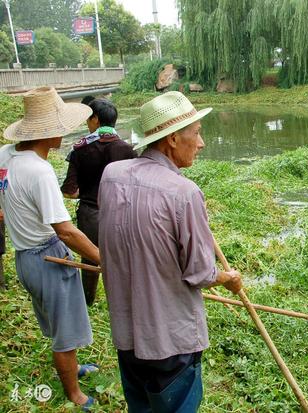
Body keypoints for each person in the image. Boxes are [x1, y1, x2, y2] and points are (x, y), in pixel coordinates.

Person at [98, 91, 243, 413]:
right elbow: (199, 273)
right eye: (197, 133)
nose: (202, 143)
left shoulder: (112, 176)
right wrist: (228, 278)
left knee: (141, 407)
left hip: (127, 331)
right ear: (174, 139)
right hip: (170, 339)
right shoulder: (184, 192)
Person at [0, 87, 101, 410]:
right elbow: (67, 232)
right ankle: (74, 393)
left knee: (58, 321)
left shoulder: (5, 154)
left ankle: (72, 365)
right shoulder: (40, 171)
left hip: (24, 258)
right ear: (50, 132)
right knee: (65, 331)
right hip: (47, 256)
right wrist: (104, 259)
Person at [61, 98, 137, 306]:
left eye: (88, 118)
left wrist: (86, 192)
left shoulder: (80, 149)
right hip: (123, 214)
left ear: (95, 119)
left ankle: (88, 301)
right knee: (123, 257)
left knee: (90, 256)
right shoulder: (128, 150)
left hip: (91, 214)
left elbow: (69, 191)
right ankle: (124, 302)